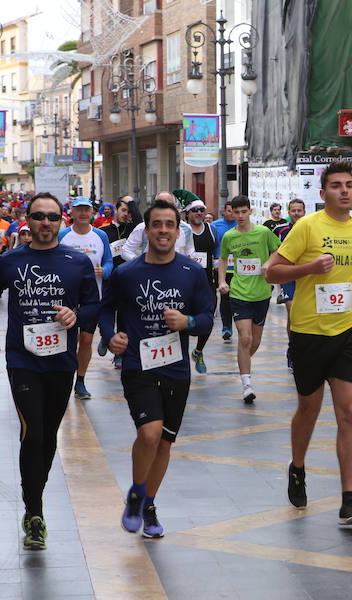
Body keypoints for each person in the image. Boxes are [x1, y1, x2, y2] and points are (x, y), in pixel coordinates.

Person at [265, 160, 352, 525]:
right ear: (323, 193)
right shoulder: (307, 226)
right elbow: (272, 270)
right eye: (336, 185)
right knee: (309, 409)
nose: (345, 190)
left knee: (349, 412)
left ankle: (349, 498)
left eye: (349, 184)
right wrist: (308, 268)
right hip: (308, 332)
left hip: (349, 330)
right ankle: (297, 466)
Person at [0, 192, 99, 551]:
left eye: (52, 217)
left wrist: (76, 314)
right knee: (32, 432)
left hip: (62, 362)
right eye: (38, 216)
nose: (45, 223)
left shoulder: (76, 262)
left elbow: (95, 306)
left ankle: (34, 493)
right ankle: (35, 511)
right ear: (26, 220)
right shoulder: (11, 260)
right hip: (23, 360)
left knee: (48, 436)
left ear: (61, 221)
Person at [99, 198, 214, 539]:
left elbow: (207, 317)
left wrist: (188, 320)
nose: (163, 230)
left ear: (177, 232)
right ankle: (137, 491)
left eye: (169, 225)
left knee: (164, 442)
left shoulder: (191, 272)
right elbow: (106, 310)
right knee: (149, 433)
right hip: (138, 364)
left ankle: (147, 503)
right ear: (146, 230)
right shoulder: (127, 273)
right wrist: (110, 336)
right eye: (157, 225)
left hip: (176, 368)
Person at [218, 195, 281, 403]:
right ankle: (247, 384)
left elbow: (278, 251)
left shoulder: (263, 232)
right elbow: (223, 259)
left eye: (243, 212)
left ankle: (243, 364)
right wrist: (222, 282)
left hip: (262, 293)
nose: (240, 216)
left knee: (254, 341)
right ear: (231, 213)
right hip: (239, 292)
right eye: (236, 212)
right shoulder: (229, 236)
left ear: (250, 211)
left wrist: (269, 264)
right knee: (244, 338)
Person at [58, 196, 114, 401]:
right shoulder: (63, 235)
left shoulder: (100, 235)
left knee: (86, 340)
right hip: (66, 299)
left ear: (92, 213)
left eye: (86, 210)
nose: (83, 214)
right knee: (67, 342)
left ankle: (80, 381)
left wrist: (104, 271)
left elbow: (109, 261)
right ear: (71, 213)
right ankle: (64, 378)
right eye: (78, 210)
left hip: (93, 298)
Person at [184, 199, 218, 374]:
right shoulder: (182, 230)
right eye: (195, 210)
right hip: (184, 282)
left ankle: (198, 351)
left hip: (207, 281)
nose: (199, 213)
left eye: (202, 210)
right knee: (183, 319)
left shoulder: (212, 230)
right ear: (188, 213)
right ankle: (180, 355)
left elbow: (218, 256)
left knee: (209, 316)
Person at [273, 199, 306, 371]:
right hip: (288, 277)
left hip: (306, 276)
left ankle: (303, 348)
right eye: (293, 210)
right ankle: (293, 349)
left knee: (304, 315)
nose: (296, 213)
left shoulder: (311, 228)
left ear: (304, 211)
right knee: (292, 312)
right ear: (288, 212)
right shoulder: (280, 229)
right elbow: (274, 250)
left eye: (299, 210)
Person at [211, 203, 237, 340]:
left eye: (235, 211)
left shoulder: (241, 225)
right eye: (229, 211)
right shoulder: (215, 226)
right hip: (222, 267)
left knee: (237, 298)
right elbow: (212, 244)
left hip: (239, 269)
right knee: (225, 298)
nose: (232, 213)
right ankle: (226, 327)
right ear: (224, 211)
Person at [100, 195, 142, 268]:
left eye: (129, 212)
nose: (126, 214)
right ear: (116, 210)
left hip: (129, 271)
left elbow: (140, 223)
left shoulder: (133, 229)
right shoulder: (103, 231)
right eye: (123, 210)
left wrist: (130, 202)